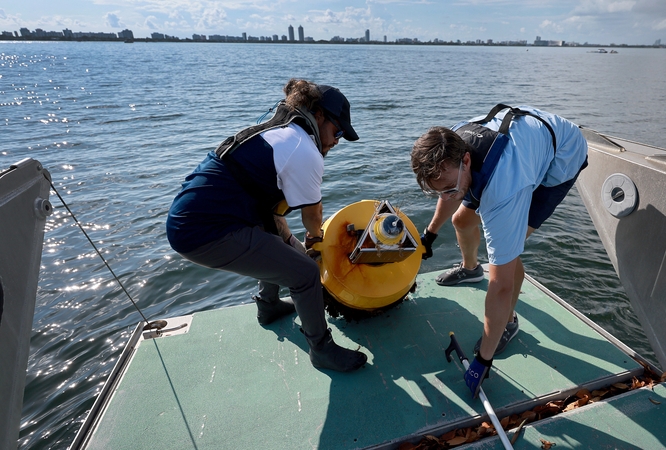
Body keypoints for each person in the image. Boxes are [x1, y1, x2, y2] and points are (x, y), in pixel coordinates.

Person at [166, 79, 367, 372]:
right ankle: (322, 349)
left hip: (192, 216)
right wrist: (314, 244)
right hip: (204, 231)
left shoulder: (277, 130)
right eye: (337, 132)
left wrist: (292, 245)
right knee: (305, 273)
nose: (337, 141)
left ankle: (269, 305)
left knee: (279, 244)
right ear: (319, 115)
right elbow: (312, 220)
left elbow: (272, 213)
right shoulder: (304, 149)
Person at [410, 104, 588, 396]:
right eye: (437, 190)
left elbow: (500, 285)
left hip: (561, 158)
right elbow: (450, 191)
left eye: (449, 189)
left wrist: (483, 361)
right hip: (526, 141)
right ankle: (470, 269)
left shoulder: (504, 188)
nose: (446, 196)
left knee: (508, 257)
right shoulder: (451, 144)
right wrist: (429, 234)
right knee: (461, 219)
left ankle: (509, 322)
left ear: (466, 160)